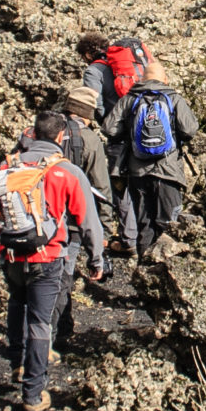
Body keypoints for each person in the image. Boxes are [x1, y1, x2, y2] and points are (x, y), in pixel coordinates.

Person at [0, 112, 107, 411]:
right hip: (48, 257)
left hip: (11, 254)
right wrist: (96, 258)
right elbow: (88, 221)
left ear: (33, 134)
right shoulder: (66, 171)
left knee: (16, 304)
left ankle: (16, 365)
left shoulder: (8, 166)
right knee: (39, 321)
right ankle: (33, 393)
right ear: (61, 137)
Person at [103, 61, 203, 260]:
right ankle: (168, 266)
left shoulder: (130, 98)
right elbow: (190, 129)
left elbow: (109, 128)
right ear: (164, 79)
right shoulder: (173, 97)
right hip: (169, 171)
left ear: (142, 79)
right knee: (170, 222)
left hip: (137, 171)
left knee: (144, 222)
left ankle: (145, 266)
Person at [55, 85, 119, 360]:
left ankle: (30, 336)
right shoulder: (90, 140)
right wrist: (104, 230)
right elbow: (102, 188)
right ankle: (58, 333)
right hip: (71, 223)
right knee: (62, 278)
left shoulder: (42, 133)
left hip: (36, 222)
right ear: (87, 113)